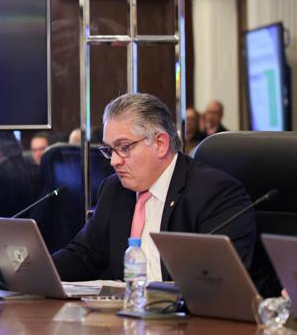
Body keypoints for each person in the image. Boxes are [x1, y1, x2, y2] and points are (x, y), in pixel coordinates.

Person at [51, 93, 258, 284]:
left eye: (124, 147)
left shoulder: (215, 193)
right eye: (109, 150)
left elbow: (219, 280)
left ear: (160, 143)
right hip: (126, 308)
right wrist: (35, 273)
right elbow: (84, 255)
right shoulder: (114, 189)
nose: (114, 161)